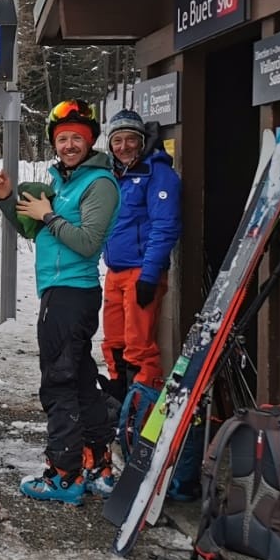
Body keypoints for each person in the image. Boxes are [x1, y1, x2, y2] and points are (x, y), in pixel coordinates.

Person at [0, 100, 119, 502]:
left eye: (76, 139)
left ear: (90, 142)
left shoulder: (99, 183)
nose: (68, 145)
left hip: (71, 292)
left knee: (59, 383)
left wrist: (48, 216)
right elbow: (37, 232)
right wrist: (8, 199)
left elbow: (86, 243)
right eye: (62, 139)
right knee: (80, 380)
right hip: (59, 291)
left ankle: (63, 474)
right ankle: (98, 463)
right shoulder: (63, 182)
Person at [100, 109, 182, 401]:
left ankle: (142, 410)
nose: (123, 147)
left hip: (141, 272)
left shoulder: (157, 173)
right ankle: (121, 402)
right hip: (115, 272)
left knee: (139, 347)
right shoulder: (115, 175)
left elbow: (165, 225)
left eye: (130, 140)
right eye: (117, 141)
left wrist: (149, 275)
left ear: (142, 140)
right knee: (114, 343)